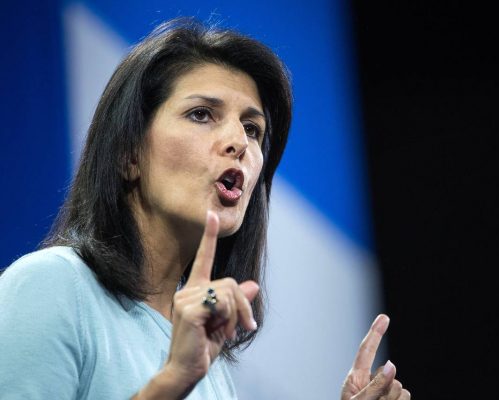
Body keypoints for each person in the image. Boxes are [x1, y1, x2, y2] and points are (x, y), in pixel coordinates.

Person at [0, 16, 410, 400]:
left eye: (253, 129)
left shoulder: (212, 368)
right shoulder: (51, 288)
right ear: (129, 154)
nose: (239, 142)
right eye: (201, 114)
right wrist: (171, 382)